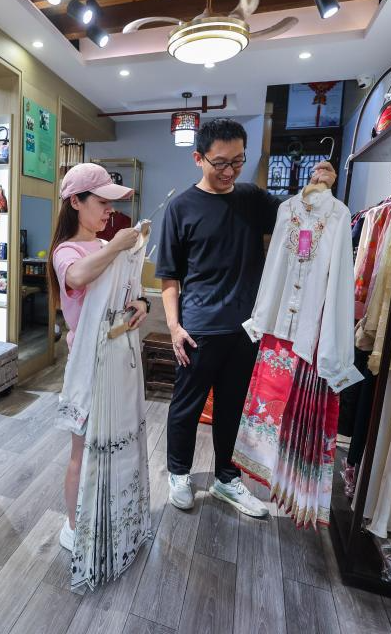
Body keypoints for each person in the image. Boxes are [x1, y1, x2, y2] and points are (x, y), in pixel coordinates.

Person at [155, 118, 282, 517]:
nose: (230, 171)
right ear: (199, 158)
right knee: (186, 407)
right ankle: (179, 474)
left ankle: (227, 479)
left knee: (233, 408)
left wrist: (317, 188)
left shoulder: (251, 199)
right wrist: (174, 327)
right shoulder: (180, 208)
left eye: (238, 161)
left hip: (246, 328)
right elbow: (169, 278)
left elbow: (298, 215)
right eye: (221, 162)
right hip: (198, 329)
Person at [49, 162, 151, 589]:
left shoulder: (107, 244)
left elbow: (131, 291)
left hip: (117, 358)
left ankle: (108, 515)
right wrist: (116, 247)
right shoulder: (68, 252)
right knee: (82, 449)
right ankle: (76, 525)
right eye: (102, 202)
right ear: (76, 202)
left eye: (112, 203)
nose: (109, 210)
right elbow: (76, 277)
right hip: (88, 365)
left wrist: (141, 304)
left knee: (115, 442)